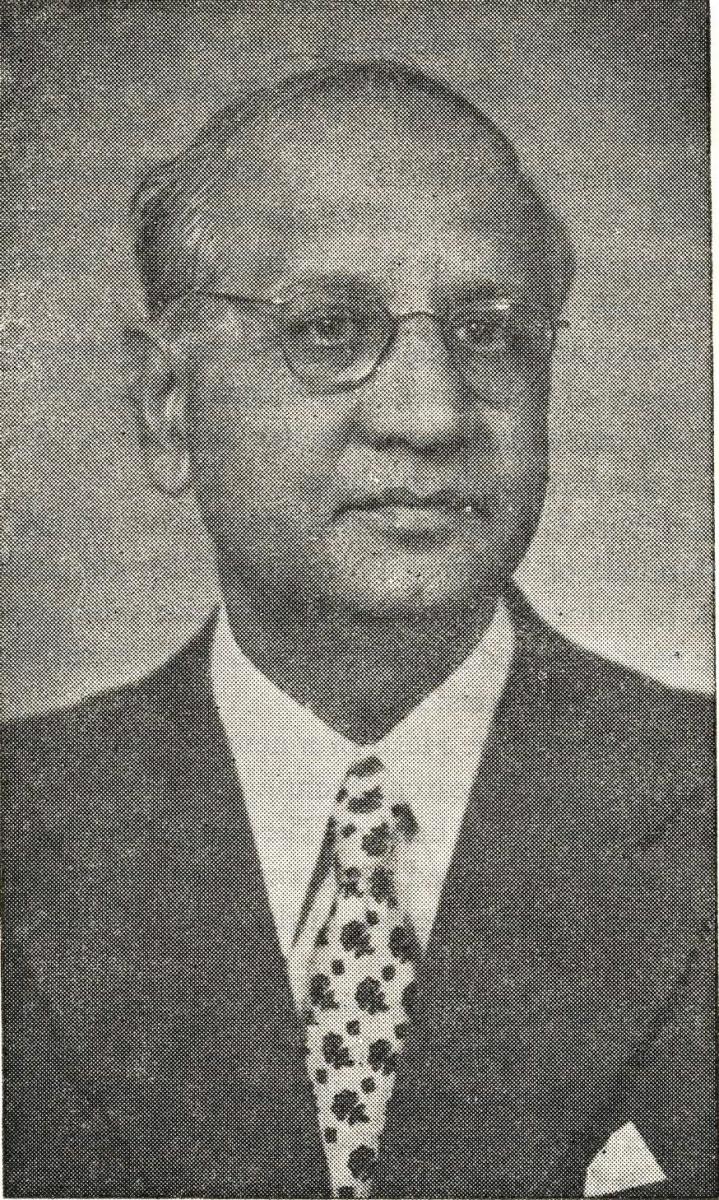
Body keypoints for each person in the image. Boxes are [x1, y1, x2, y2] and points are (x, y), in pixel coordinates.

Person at [2, 59, 714, 1199]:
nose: (429, 414)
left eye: (488, 332)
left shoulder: (697, 797)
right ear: (166, 406)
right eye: (329, 329)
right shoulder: (26, 822)